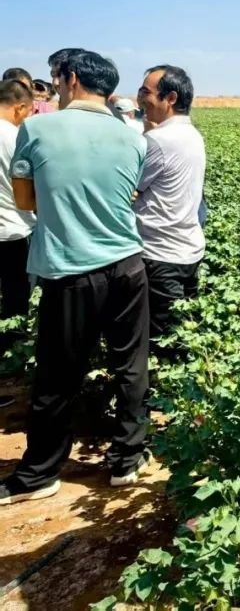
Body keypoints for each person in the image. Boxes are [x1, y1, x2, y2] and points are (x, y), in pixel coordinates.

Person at [0, 50, 150, 505]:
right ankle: (127, 459)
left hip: (70, 270)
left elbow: (25, 201)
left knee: (57, 376)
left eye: (56, 77)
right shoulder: (133, 136)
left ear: (72, 79)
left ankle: (40, 473)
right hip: (128, 265)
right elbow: (128, 194)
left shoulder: (37, 128)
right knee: (131, 365)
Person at [135, 65, 207, 352]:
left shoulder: (158, 141)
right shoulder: (192, 134)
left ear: (171, 98)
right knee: (185, 332)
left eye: (146, 92)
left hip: (160, 254)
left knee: (163, 340)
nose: (141, 99)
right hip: (188, 249)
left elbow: (130, 190)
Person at [0, 81, 36, 391]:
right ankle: (10, 369)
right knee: (15, 305)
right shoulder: (16, 138)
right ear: (20, 107)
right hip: (14, 231)